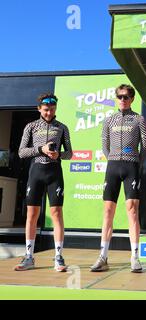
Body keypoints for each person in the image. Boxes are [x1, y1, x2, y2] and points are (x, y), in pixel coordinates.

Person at [90, 84, 146, 273]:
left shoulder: (139, 119)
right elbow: (105, 146)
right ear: (116, 99)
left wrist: (135, 163)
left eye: (126, 97)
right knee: (108, 211)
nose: (122, 100)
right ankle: (103, 256)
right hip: (113, 167)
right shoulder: (109, 120)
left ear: (132, 99)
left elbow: (145, 147)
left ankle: (134, 256)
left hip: (131, 166)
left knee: (132, 210)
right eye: (119, 97)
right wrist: (114, 160)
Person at [15, 93, 73, 272]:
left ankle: (58, 257)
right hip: (36, 172)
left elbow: (70, 153)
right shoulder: (31, 126)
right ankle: (29, 257)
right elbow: (21, 152)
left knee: (56, 212)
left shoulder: (62, 127)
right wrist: (41, 149)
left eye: (52, 109)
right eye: (46, 109)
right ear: (39, 108)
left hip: (54, 172)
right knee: (32, 214)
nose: (49, 113)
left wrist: (59, 155)